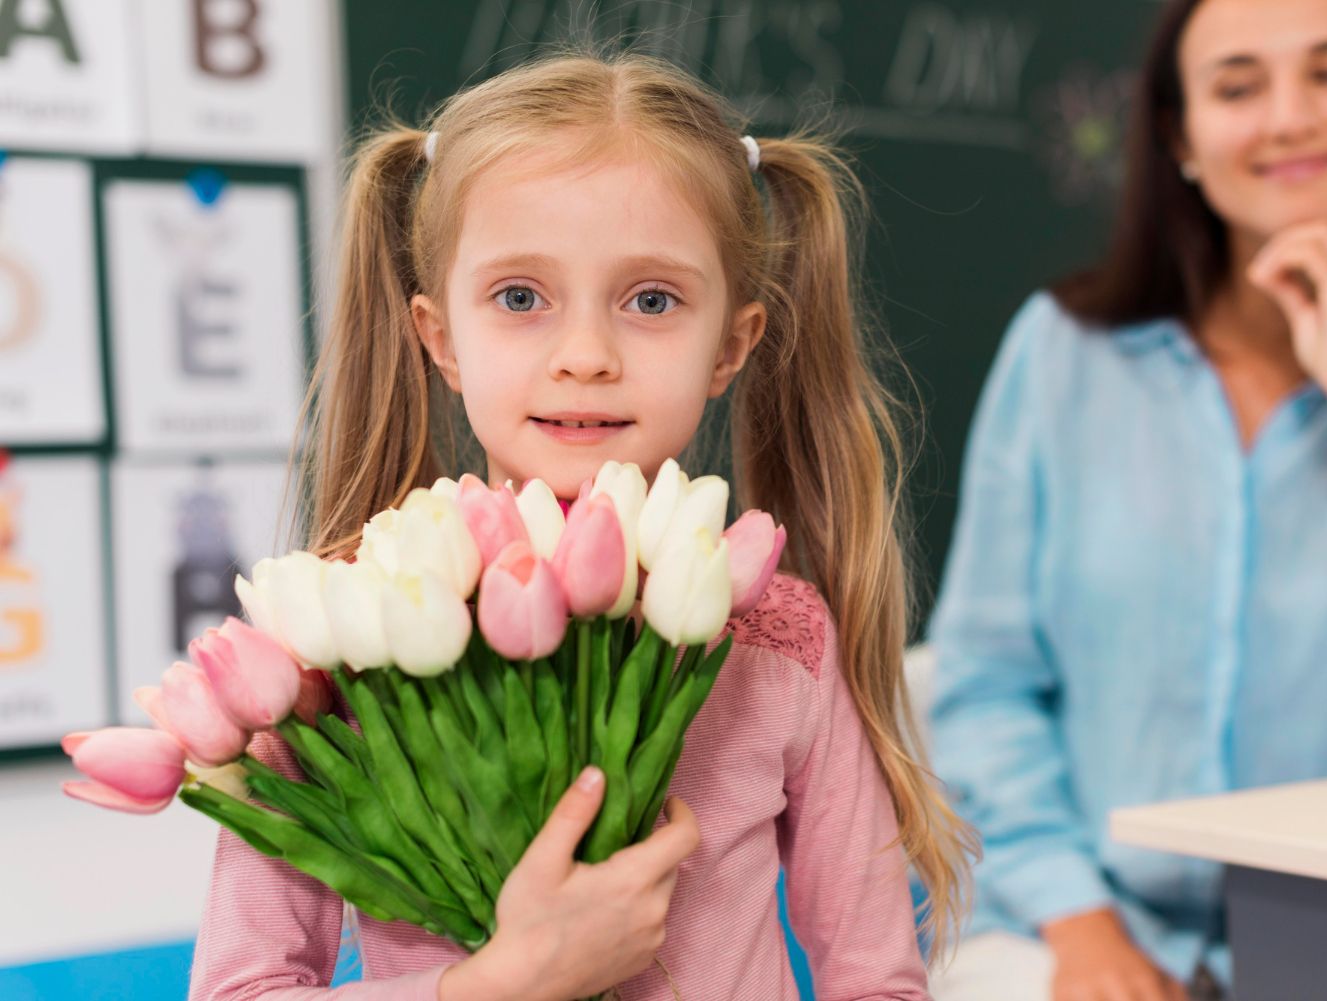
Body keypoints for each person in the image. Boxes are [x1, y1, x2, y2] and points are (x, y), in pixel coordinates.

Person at [188, 52, 974, 1001]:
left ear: (732, 343)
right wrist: (502, 984)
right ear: (440, 337)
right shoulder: (333, 636)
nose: (587, 356)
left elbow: (875, 981)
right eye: (520, 297)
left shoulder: (781, 635)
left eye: (652, 300)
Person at [927, 0, 1327, 998]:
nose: (1289, 117)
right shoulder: (1064, 353)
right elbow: (985, 685)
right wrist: (1082, 924)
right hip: (1074, 926)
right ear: (1182, 133)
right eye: (1238, 86)